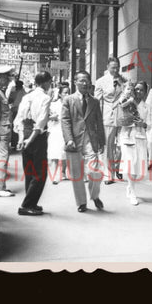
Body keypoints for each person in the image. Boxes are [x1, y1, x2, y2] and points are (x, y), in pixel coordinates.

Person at [61, 71, 105, 213]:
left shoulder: (95, 101)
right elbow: (65, 121)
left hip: (91, 140)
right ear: (75, 82)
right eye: (82, 80)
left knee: (95, 171)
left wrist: (101, 141)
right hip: (74, 140)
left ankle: (95, 195)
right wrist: (68, 139)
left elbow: (99, 121)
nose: (85, 83)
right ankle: (81, 202)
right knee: (76, 174)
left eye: (87, 80)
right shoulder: (68, 100)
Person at [13, 71, 52, 216]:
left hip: (25, 133)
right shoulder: (45, 98)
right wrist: (31, 140)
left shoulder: (26, 96)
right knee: (40, 173)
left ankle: (32, 202)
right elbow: (41, 122)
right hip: (37, 138)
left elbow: (19, 119)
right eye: (50, 82)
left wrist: (22, 139)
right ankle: (27, 205)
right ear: (46, 82)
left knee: (29, 171)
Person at [95, 57, 125, 184]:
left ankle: (118, 168)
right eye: (113, 67)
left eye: (117, 66)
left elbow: (128, 94)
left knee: (121, 145)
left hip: (122, 116)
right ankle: (108, 174)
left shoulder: (123, 80)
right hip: (107, 117)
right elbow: (97, 101)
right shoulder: (100, 82)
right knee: (108, 146)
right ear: (107, 67)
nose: (116, 69)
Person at [119, 81, 149, 205]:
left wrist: (142, 124)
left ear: (145, 92)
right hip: (127, 135)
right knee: (130, 163)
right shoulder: (126, 101)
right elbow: (121, 117)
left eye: (141, 90)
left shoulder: (146, 106)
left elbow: (149, 123)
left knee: (137, 165)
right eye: (136, 89)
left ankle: (130, 187)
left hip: (140, 136)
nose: (138, 92)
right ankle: (132, 192)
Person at [0, 65, 15, 198]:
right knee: (0, 159)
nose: (8, 80)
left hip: (2, 131)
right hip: (0, 133)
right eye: (6, 77)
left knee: (1, 159)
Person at [47, 86, 69, 184]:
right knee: (55, 152)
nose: (67, 95)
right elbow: (47, 116)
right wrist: (52, 117)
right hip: (56, 129)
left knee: (64, 153)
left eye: (68, 92)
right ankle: (55, 175)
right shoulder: (53, 105)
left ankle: (63, 172)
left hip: (66, 130)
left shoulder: (71, 104)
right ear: (60, 94)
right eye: (65, 93)